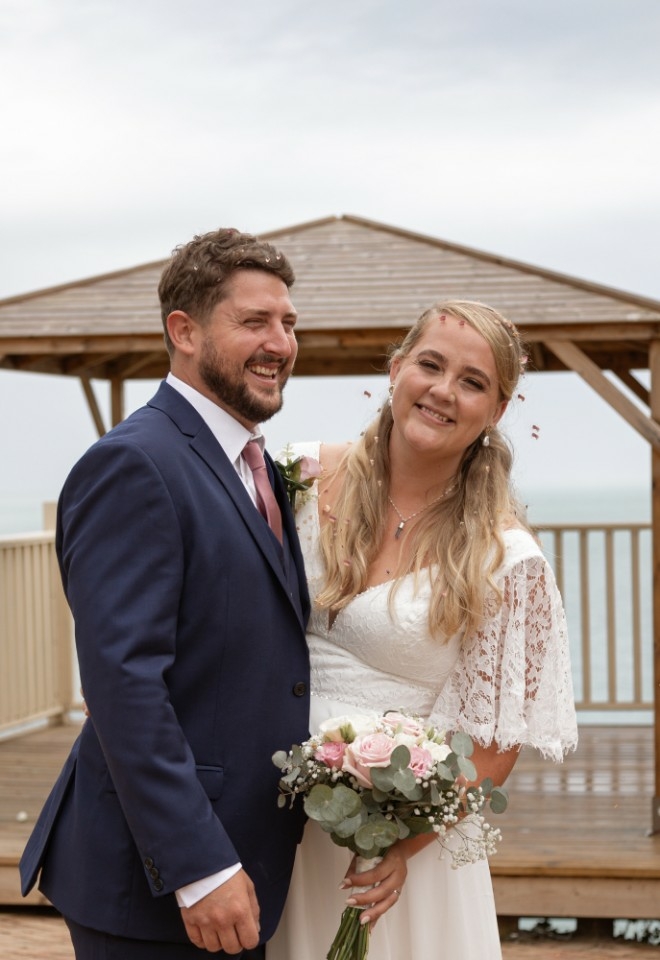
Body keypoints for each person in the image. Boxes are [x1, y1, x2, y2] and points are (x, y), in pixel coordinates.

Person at [20, 228, 311, 959]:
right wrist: (200, 868)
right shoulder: (133, 465)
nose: (279, 343)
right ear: (184, 331)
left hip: (248, 859)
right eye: (254, 322)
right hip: (161, 882)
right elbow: (123, 684)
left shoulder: (258, 468)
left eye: (288, 323)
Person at [267, 300, 578, 960]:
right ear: (395, 368)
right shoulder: (296, 477)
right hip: (273, 823)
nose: (443, 391)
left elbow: (494, 746)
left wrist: (398, 848)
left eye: (473, 382)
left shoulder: (506, 558)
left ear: (494, 411)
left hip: (399, 846)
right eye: (430, 365)